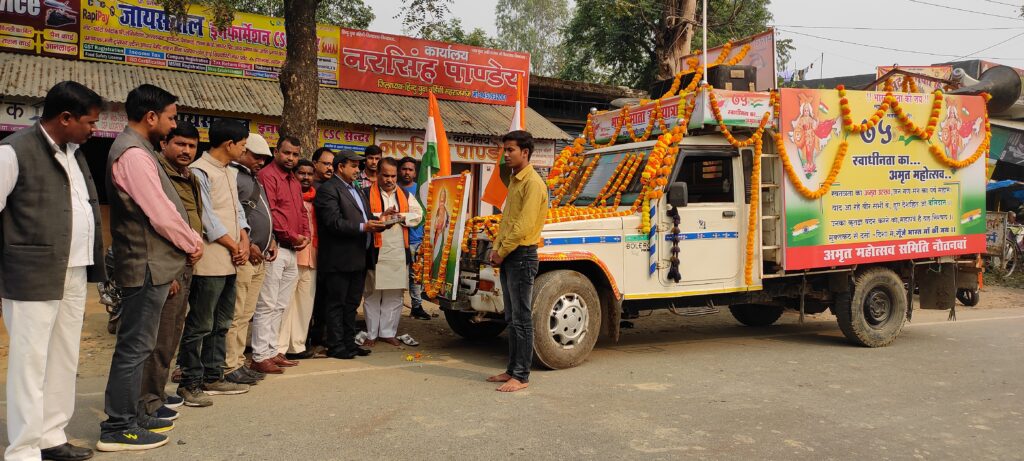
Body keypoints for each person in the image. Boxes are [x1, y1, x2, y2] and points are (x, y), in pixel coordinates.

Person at [0, 81, 105, 461]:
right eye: (90, 122)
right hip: (31, 271)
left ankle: (51, 435)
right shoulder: (13, 152)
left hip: (74, 270)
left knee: (64, 356)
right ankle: (24, 449)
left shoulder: (73, 152)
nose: (94, 129)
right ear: (65, 118)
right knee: (30, 361)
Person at [101, 84, 203, 450]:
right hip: (145, 264)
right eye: (172, 117)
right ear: (151, 117)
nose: (173, 125)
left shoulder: (139, 150)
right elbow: (160, 214)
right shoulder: (133, 154)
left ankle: (136, 414)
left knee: (141, 346)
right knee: (134, 347)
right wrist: (192, 243)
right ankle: (118, 426)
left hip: (152, 263)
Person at [177, 119, 252, 406]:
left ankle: (212, 374)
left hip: (232, 259)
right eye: (243, 145)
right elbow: (206, 218)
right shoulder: (200, 171)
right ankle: (190, 381)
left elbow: (237, 213)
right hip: (211, 259)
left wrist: (244, 239)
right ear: (229, 144)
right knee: (200, 323)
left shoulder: (229, 171)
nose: (244, 150)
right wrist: (235, 245)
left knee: (222, 321)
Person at [138, 122, 203, 423]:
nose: (186, 151)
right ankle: (147, 400)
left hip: (187, 264)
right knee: (159, 338)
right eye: (180, 144)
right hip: (168, 267)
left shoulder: (189, 178)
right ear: (164, 145)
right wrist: (169, 272)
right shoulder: (158, 174)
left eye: (191, 146)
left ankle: (159, 391)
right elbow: (157, 223)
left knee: (172, 334)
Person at [486, 130, 548, 393]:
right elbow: (508, 221)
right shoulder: (515, 181)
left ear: (525, 152)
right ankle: (512, 369)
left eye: (511, 150)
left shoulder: (532, 183)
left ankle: (521, 376)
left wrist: (502, 250)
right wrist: (496, 247)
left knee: (522, 318)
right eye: (505, 149)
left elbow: (522, 227)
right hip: (511, 254)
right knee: (511, 317)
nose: (506, 154)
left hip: (522, 255)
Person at [314, 150, 385, 359]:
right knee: (336, 303)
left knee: (352, 304)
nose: (357, 170)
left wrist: (382, 219)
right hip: (339, 257)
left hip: (359, 256)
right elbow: (333, 222)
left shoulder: (355, 189)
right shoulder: (329, 189)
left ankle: (349, 343)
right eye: (353, 166)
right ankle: (335, 346)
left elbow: (365, 216)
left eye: (358, 166)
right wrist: (365, 226)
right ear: (340, 167)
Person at [251, 135, 310, 373]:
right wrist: (289, 234)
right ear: (276, 152)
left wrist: (304, 235)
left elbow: (301, 212)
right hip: (274, 247)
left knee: (281, 304)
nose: (291, 158)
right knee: (266, 303)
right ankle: (259, 355)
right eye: (287, 153)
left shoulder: (294, 180)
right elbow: (270, 212)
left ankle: (273, 350)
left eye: (295, 154)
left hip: (292, 250)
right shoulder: (267, 176)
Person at [223, 133, 277, 384]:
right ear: (242, 152)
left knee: (246, 314)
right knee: (235, 314)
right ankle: (228, 365)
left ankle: (238, 362)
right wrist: (251, 243)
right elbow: (232, 216)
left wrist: (272, 239)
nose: (261, 162)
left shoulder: (252, 177)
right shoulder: (232, 175)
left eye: (264, 158)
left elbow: (261, 213)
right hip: (245, 254)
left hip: (261, 256)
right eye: (256, 157)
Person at [363, 158, 423, 347]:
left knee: (395, 294)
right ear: (377, 174)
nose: (390, 180)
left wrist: (396, 217)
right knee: (372, 293)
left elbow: (418, 215)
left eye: (393, 176)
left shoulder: (405, 194)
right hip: (375, 251)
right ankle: (371, 333)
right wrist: (383, 217)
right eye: (386, 175)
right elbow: (363, 217)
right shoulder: (365, 193)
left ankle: (388, 332)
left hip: (398, 251)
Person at [278, 159, 318, 359]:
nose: (306, 177)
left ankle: (297, 346)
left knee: (304, 305)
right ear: (294, 174)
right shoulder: (288, 196)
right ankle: (279, 347)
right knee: (285, 304)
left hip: (312, 257)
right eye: (301, 173)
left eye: (310, 174)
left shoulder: (316, 198)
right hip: (292, 255)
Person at [398, 157, 431, 321]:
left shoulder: (421, 190)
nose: (407, 172)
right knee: (396, 276)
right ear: (399, 170)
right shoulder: (394, 189)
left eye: (410, 169)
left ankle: (416, 306)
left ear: (415, 172)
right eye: (404, 169)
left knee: (415, 276)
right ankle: (394, 308)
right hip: (397, 241)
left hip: (417, 240)